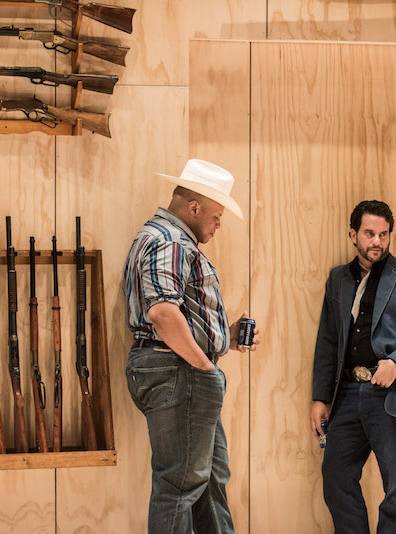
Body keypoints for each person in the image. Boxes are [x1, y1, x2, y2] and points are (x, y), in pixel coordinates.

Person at [123, 159, 260, 534]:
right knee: (180, 486)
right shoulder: (169, 242)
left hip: (178, 368)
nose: (218, 225)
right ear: (194, 207)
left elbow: (174, 314)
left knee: (208, 482)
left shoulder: (167, 240)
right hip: (179, 371)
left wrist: (223, 336)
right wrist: (204, 367)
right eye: (216, 216)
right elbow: (164, 315)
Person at [310, 200, 396, 533]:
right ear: (353, 234)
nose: (377, 242)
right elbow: (328, 341)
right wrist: (321, 398)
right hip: (347, 396)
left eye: (383, 234)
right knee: (336, 477)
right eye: (369, 233)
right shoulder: (338, 279)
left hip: (391, 395)